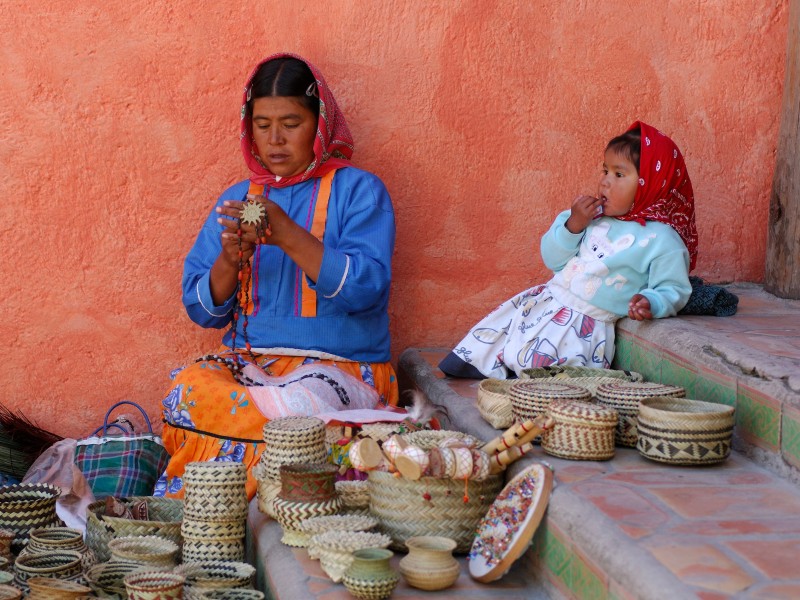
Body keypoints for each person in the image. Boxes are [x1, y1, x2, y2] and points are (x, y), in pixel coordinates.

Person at [155, 53, 398, 499]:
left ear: (320, 125)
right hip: (252, 368)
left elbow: (366, 290)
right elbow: (202, 310)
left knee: (296, 408)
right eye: (262, 125)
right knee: (187, 389)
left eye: (291, 122)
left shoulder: (361, 191)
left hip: (338, 370)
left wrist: (286, 233)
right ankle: (213, 505)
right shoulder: (237, 200)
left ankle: (238, 500)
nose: (276, 139)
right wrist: (230, 260)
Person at [439, 121, 697, 380]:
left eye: (619, 175)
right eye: (605, 170)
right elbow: (552, 259)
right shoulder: (587, 217)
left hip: (586, 324)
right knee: (500, 340)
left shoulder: (662, 240)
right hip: (549, 301)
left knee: (555, 370)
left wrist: (651, 302)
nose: (605, 182)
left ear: (651, 184)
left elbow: (673, 289)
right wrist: (573, 226)